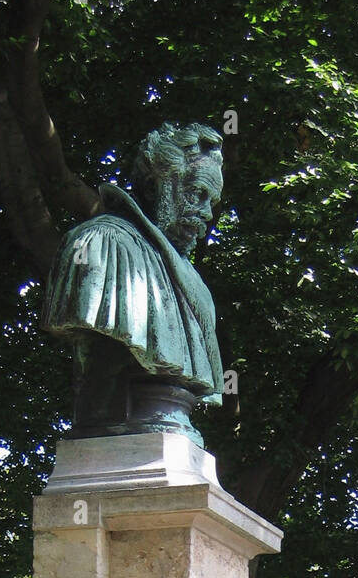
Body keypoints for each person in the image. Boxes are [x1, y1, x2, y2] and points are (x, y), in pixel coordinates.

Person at [42, 122, 224, 443]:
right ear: (158, 187)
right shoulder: (101, 243)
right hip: (116, 425)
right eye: (198, 194)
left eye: (212, 200)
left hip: (172, 428)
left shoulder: (192, 283)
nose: (208, 213)